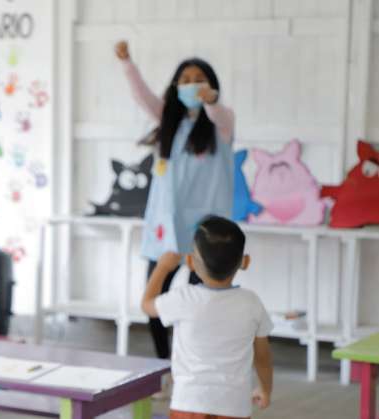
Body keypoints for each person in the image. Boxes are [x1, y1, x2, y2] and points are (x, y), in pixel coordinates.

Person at [115, 41, 236, 359]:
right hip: (165, 226)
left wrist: (210, 102)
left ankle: (193, 362)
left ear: (210, 85)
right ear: (175, 87)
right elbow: (142, 97)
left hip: (204, 230)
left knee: (202, 304)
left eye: (198, 78)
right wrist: (127, 63)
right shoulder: (168, 124)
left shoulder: (220, 125)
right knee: (154, 299)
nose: (191, 84)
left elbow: (217, 111)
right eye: (184, 79)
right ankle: (162, 366)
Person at [141, 216, 273, 419]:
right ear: (244, 262)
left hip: (188, 404)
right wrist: (265, 389)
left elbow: (147, 304)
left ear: (190, 262)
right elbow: (262, 356)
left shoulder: (183, 298)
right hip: (234, 407)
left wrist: (162, 267)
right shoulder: (251, 303)